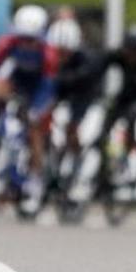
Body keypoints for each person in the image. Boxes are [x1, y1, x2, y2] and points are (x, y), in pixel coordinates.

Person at [0, 4, 57, 197]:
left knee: (34, 129)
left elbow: (48, 86)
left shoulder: (47, 53)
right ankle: (1, 130)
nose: (25, 43)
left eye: (30, 39)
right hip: (16, 82)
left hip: (37, 87)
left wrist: (37, 109)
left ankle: (34, 176)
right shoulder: (7, 44)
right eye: (21, 38)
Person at [89, 25, 136, 189]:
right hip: (124, 96)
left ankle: (126, 156)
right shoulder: (119, 56)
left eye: (135, 51)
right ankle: (103, 171)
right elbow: (100, 68)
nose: (132, 56)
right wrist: (96, 88)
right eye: (129, 50)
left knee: (130, 119)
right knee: (106, 127)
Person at [45, 15, 103, 181]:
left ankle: (76, 160)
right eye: (58, 51)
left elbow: (86, 80)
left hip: (82, 92)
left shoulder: (86, 59)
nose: (61, 56)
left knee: (72, 126)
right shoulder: (49, 55)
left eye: (65, 52)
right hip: (62, 89)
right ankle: (50, 156)